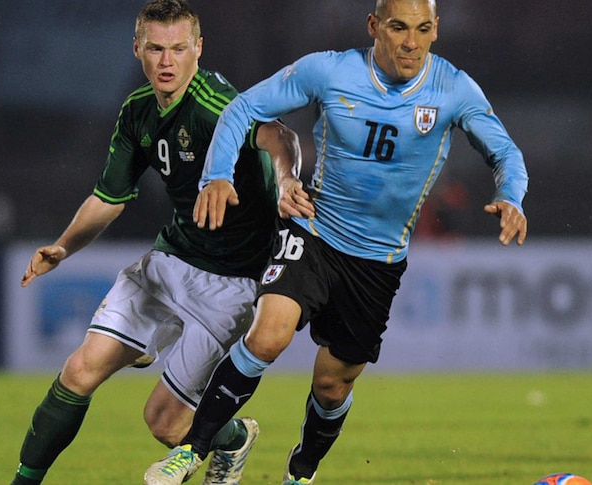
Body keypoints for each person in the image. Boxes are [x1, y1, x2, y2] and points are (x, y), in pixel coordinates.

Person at [142, 1, 528, 484]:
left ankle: (301, 474)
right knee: (267, 335)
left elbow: (505, 152)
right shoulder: (329, 70)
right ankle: (192, 452)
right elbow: (243, 108)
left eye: (423, 29)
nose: (411, 42)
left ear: (435, 31)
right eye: (398, 28)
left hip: (377, 262)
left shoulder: (453, 89)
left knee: (331, 385)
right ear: (374, 27)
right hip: (315, 230)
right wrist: (216, 175)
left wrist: (510, 196)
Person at [9, 1, 307, 484]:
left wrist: (287, 178)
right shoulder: (138, 112)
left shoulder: (217, 105)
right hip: (170, 261)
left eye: (178, 49)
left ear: (198, 49)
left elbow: (279, 136)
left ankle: (233, 438)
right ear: (138, 49)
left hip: (231, 283)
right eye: (155, 49)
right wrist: (63, 247)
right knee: (80, 370)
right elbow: (108, 197)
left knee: (165, 426)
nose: (167, 61)